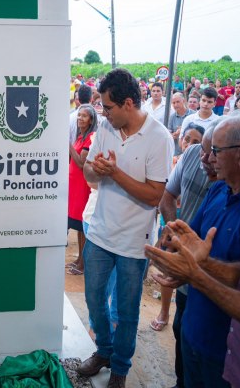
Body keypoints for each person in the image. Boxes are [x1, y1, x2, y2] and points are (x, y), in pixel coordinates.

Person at [146, 85, 240, 387]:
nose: (206, 158)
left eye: (214, 151)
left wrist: (196, 273)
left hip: (226, 352)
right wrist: (185, 257)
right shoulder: (232, 190)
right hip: (201, 334)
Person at [77, 69, 173, 388]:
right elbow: (90, 173)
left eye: (108, 107)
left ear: (128, 103)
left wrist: (115, 174)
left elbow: (155, 195)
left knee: (127, 311)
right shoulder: (106, 127)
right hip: (101, 233)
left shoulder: (159, 138)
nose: (103, 113)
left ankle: (120, 366)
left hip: (135, 243)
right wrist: (98, 170)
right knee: (94, 299)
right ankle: (104, 350)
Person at [153, 122, 219, 387]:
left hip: (212, 279)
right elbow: (167, 198)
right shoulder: (192, 156)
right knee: (182, 328)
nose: (205, 158)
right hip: (185, 267)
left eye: (212, 152)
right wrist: (175, 235)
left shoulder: (234, 189)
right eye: (201, 150)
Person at [67, 104, 97, 275]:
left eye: (84, 116)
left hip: (82, 187)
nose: (80, 119)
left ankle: (83, 264)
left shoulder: (90, 137)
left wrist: (69, 144)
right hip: (75, 185)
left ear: (91, 120)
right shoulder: (81, 136)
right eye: (79, 116)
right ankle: (79, 260)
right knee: (78, 226)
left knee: (82, 225)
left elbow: (80, 163)